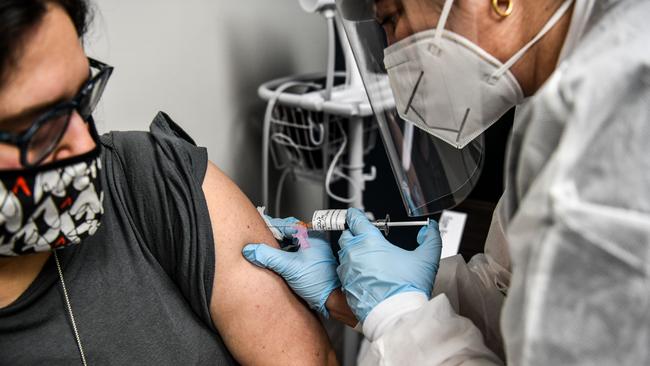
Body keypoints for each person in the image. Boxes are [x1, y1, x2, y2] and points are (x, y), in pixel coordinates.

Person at [243, 0, 650, 364]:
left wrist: (396, 314)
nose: (388, 55)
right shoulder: (565, 92)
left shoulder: (623, 109)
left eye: (390, 18)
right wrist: (353, 294)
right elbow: (513, 296)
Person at [0, 1, 338, 364]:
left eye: (81, 99)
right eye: (37, 128)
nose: (86, 143)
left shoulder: (149, 176)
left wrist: (392, 309)